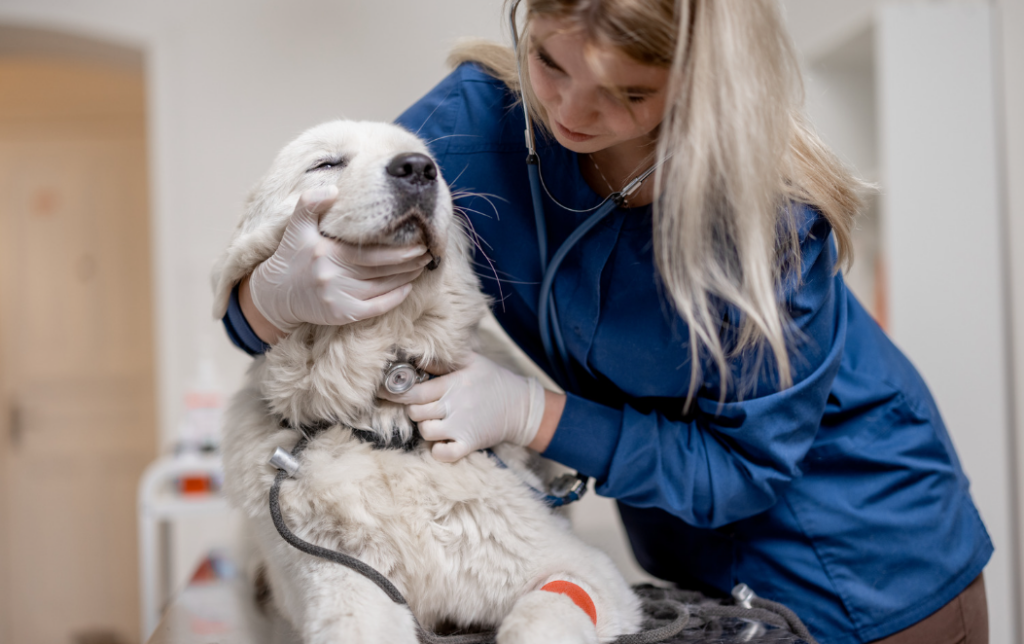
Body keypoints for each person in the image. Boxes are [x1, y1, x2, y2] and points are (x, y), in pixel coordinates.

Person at [221, 1, 991, 642]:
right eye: (551, 63)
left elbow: (744, 468)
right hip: (690, 563)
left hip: (882, 559)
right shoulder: (476, 123)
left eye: (627, 94)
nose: (569, 112)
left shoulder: (769, 221)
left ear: (698, 82)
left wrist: (533, 411)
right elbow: (324, 238)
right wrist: (268, 298)